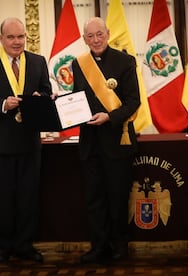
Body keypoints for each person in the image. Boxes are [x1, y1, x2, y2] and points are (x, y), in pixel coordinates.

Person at [0, 17, 52, 263]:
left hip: (29, 142)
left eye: (21, 37)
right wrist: (3, 104)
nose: (17, 42)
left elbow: (47, 91)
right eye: (12, 37)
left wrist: (41, 97)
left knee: (28, 197)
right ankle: (4, 246)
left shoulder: (37, 61)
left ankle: (25, 246)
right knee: (0, 198)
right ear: (1, 38)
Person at [71, 17, 141, 263]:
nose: (96, 40)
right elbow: (77, 99)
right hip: (90, 143)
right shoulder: (78, 64)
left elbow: (134, 102)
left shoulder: (125, 61)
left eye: (99, 34)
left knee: (118, 196)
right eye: (90, 36)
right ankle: (99, 246)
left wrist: (109, 117)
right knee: (95, 198)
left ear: (107, 34)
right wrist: (65, 104)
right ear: (84, 39)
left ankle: (120, 245)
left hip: (117, 141)